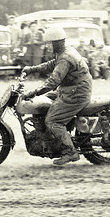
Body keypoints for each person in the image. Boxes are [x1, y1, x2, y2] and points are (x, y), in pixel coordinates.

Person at [21, 25, 93, 165]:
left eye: (49, 43)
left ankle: (70, 152)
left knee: (52, 121)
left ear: (57, 42)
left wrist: (33, 93)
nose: (47, 47)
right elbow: (52, 64)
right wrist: (32, 69)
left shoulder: (65, 57)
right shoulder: (63, 52)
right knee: (45, 101)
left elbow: (53, 82)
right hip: (70, 89)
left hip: (77, 92)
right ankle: (49, 138)